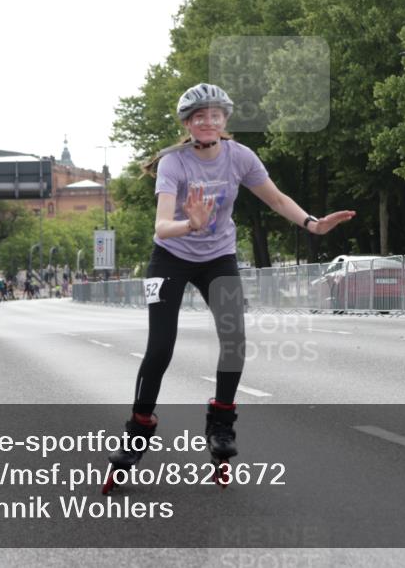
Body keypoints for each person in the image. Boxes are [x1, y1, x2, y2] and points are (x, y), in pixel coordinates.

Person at [103, 83, 355, 492]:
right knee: (160, 349)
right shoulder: (174, 164)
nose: (208, 122)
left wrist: (312, 223)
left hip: (218, 259)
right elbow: (162, 228)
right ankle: (138, 427)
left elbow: (275, 199)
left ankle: (221, 423)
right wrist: (192, 224)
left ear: (225, 121)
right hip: (169, 257)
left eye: (215, 115)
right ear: (187, 124)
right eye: (199, 116)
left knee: (234, 340)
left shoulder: (240, 157)